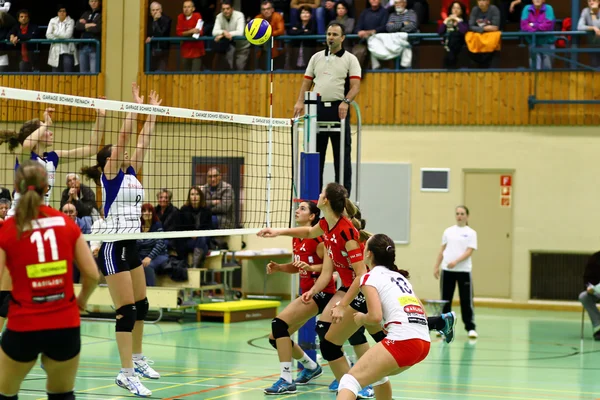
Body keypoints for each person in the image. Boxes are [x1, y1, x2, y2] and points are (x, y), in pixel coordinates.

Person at [259, 183, 386, 399]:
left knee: (373, 336)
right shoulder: (327, 225)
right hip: (347, 288)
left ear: (325, 201)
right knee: (328, 335)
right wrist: (277, 232)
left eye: (321, 194)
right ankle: (352, 382)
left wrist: (343, 305)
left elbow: (361, 275)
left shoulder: (348, 233)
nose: (317, 196)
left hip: (363, 290)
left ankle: (359, 383)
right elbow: (310, 233)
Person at [81, 83, 161, 396]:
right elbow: (125, 137)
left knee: (141, 305)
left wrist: (150, 113)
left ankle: (137, 359)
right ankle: (126, 373)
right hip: (113, 247)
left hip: (131, 244)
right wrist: (132, 107)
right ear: (107, 162)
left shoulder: (131, 173)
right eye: (116, 152)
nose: (123, 152)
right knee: (126, 310)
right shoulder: (110, 176)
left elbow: (142, 140)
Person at [0, 160, 99, 400]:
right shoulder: (66, 223)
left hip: (24, 325)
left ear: (17, 188)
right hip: (64, 324)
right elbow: (93, 275)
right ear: (47, 188)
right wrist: (81, 301)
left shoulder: (9, 229)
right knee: (62, 395)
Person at [334, 234, 430, 400]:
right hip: (423, 342)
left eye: (364, 248)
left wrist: (361, 318)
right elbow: (424, 314)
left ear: (369, 254)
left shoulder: (369, 277)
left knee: (348, 381)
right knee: (378, 375)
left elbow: (375, 316)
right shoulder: (400, 277)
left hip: (402, 341)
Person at [263, 201, 334, 394]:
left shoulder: (318, 240)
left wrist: (312, 269)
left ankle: (286, 379)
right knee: (275, 338)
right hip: (307, 293)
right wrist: (279, 268)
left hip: (322, 293)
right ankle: (311, 367)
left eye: (303, 209)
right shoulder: (297, 239)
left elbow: (330, 267)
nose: (297, 210)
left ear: (312, 217)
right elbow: (298, 265)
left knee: (279, 325)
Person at [0, 104, 105, 216]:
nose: (50, 132)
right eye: (46, 130)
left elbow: (91, 149)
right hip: (20, 215)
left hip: (40, 215)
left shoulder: (53, 158)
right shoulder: (25, 157)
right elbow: (27, 144)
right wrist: (46, 124)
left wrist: (101, 116)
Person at [293, 22, 360, 196]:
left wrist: (345, 101)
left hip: (339, 110)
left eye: (335, 34)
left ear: (342, 38)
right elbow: (307, 82)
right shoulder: (316, 57)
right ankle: (313, 200)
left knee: (342, 157)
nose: (331, 37)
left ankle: (343, 198)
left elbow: (355, 86)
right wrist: (300, 102)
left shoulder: (350, 59)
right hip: (317, 109)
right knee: (316, 156)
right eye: (329, 34)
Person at [434, 205, 478, 339]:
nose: (459, 216)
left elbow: (469, 251)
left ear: (467, 216)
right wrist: (436, 266)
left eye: (462, 213)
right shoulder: (448, 231)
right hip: (447, 271)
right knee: (446, 300)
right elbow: (442, 249)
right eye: (457, 213)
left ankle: (470, 328)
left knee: (466, 300)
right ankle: (444, 328)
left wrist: (456, 262)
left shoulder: (471, 233)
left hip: (463, 271)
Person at [177, 185, 212, 268]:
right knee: (205, 246)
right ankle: (196, 265)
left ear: (201, 196)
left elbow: (209, 228)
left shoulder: (206, 210)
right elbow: (180, 228)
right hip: (188, 240)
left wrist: (198, 234)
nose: (194, 197)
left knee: (202, 238)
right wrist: (190, 234)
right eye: (192, 194)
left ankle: (195, 265)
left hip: (202, 237)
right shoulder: (184, 209)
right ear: (189, 197)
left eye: (197, 194)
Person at [137, 203, 169, 287]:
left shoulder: (157, 225)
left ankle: (152, 289)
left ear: (153, 213)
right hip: (142, 256)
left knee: (148, 265)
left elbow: (160, 244)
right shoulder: (137, 226)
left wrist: (149, 257)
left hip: (159, 255)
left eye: (149, 211)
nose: (147, 213)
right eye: (144, 211)